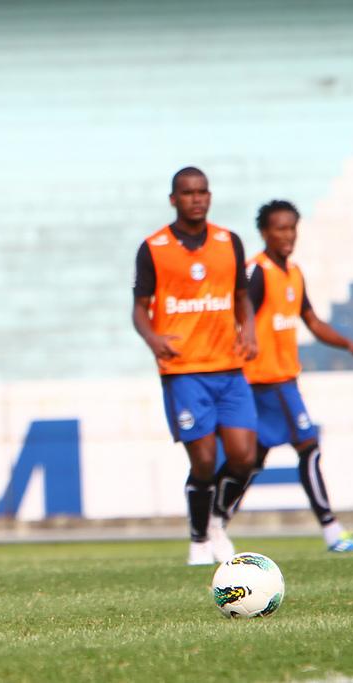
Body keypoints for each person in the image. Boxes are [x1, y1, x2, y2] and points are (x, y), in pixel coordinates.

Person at [132, 167, 259, 566]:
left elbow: (242, 296)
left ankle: (217, 519)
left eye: (202, 191)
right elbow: (139, 309)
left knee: (244, 457)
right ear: (174, 199)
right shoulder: (154, 248)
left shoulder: (229, 242)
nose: (196, 198)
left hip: (229, 367)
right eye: (188, 193)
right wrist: (153, 339)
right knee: (203, 460)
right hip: (184, 370)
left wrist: (249, 331)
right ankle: (199, 539)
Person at [241, 200, 353, 553]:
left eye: (291, 228)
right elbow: (240, 317)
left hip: (283, 379)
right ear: (264, 232)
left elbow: (312, 321)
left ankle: (213, 525)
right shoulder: (257, 272)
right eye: (279, 229)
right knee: (309, 445)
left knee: (251, 460)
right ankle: (332, 532)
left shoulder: (293, 272)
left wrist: (348, 344)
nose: (287, 235)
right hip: (267, 380)